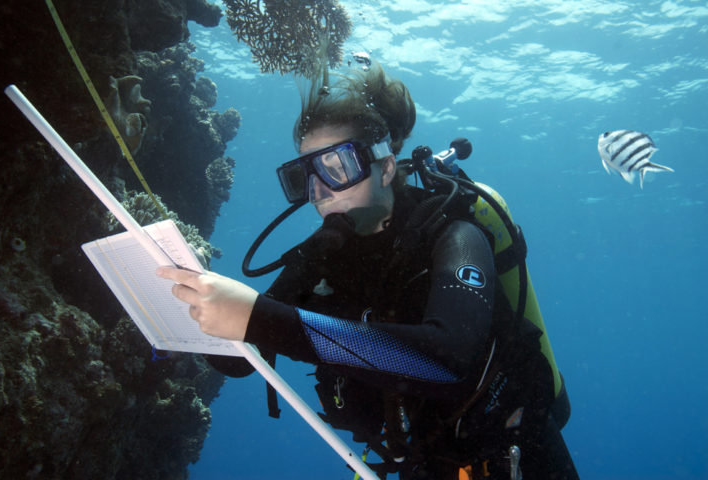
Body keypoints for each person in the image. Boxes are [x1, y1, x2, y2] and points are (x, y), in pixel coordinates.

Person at [157, 63, 579, 479]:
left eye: (337, 167)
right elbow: (238, 362)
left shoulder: (454, 233)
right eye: (304, 175)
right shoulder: (323, 255)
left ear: (386, 167)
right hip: (424, 466)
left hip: (519, 461)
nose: (319, 191)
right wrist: (190, 304)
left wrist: (258, 318)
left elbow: (449, 357)